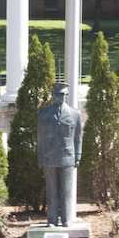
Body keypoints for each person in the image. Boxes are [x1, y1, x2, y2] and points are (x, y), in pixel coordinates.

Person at [36, 81, 83, 226]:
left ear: (67, 95)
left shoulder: (75, 114)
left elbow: (78, 137)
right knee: (51, 191)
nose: (59, 97)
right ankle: (51, 220)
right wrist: (40, 156)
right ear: (52, 95)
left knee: (67, 191)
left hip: (67, 157)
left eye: (62, 95)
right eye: (57, 94)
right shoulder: (43, 114)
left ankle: (67, 219)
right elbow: (40, 137)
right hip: (49, 157)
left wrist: (78, 155)